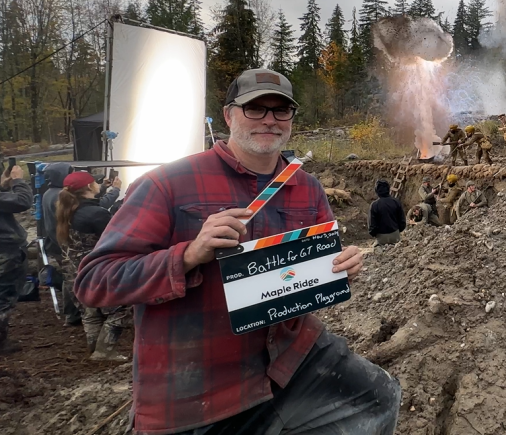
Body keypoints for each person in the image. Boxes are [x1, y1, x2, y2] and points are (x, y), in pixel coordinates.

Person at [74, 68, 399, 435]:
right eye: (255, 108)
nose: (270, 120)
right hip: (198, 383)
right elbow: (94, 281)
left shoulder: (307, 188)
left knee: (378, 394)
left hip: (290, 358)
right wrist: (189, 255)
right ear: (229, 115)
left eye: (281, 110)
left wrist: (339, 268)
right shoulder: (167, 184)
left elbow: (312, 275)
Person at [55, 170, 130, 359]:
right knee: (123, 308)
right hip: (96, 271)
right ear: (89, 187)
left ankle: (94, 348)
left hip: (74, 271)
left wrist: (106, 189)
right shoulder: (96, 214)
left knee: (90, 311)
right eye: (95, 182)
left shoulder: (68, 210)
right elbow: (116, 237)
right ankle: (105, 351)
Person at [41, 161, 83, 325]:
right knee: (71, 278)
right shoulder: (59, 195)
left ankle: (72, 314)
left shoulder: (48, 193)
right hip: (64, 243)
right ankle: (72, 315)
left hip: (56, 241)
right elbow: (78, 213)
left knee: (69, 277)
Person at [0, 162, 33, 355]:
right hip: (5, 251)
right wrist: (19, 181)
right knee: (4, 297)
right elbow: (22, 202)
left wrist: (4, 185)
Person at [369, 179, 405, 246]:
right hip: (395, 235)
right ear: (389, 189)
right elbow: (402, 222)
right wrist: (397, 231)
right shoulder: (396, 202)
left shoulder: (374, 205)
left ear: (376, 191)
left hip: (381, 237)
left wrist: (374, 234)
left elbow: (372, 226)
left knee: (376, 249)